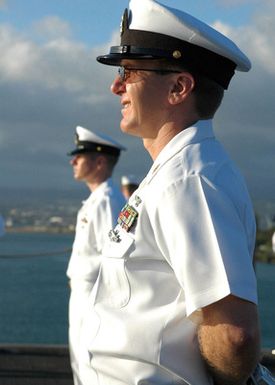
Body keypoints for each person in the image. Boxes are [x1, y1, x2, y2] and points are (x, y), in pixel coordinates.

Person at [79, 1, 261, 384]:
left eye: (129, 72)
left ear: (179, 87)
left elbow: (233, 335)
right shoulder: (175, 174)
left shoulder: (188, 180)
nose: (116, 87)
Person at [66, 125, 126, 385]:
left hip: (94, 297)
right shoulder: (97, 200)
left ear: (100, 162)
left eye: (79, 156)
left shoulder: (106, 201)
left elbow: (113, 257)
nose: (73, 161)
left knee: (90, 364)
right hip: (84, 294)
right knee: (81, 362)